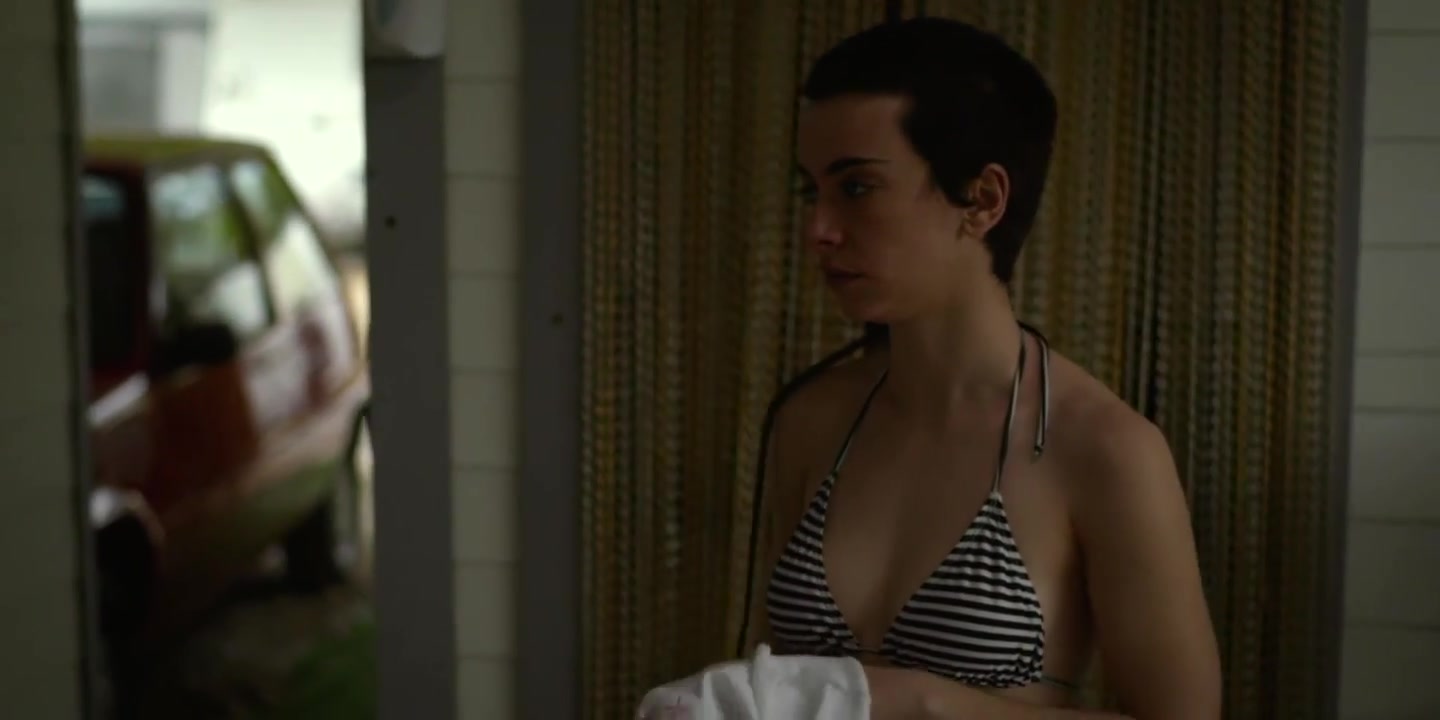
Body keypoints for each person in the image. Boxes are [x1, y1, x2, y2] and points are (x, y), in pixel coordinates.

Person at [749, 17, 1222, 720]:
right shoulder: (811, 421)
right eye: (809, 192)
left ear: (983, 199)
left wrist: (925, 701)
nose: (818, 229)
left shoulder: (1105, 451)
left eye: (856, 188)